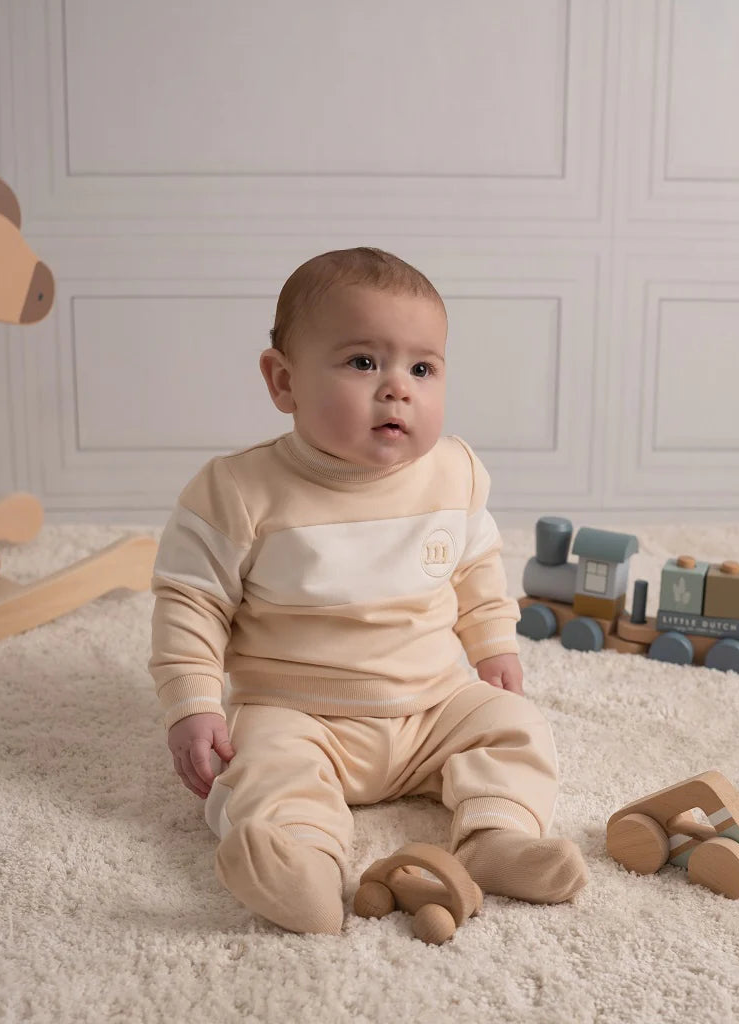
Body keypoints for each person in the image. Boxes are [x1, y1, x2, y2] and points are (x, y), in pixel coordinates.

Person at [150, 247, 588, 934]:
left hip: (431, 706)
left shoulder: (455, 473)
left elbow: (476, 566)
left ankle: (497, 838)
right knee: (265, 770)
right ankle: (303, 868)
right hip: (299, 713)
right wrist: (193, 704)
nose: (397, 389)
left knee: (516, 726)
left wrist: (493, 643)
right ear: (284, 381)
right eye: (362, 362)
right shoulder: (238, 491)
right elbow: (191, 603)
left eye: (422, 368)